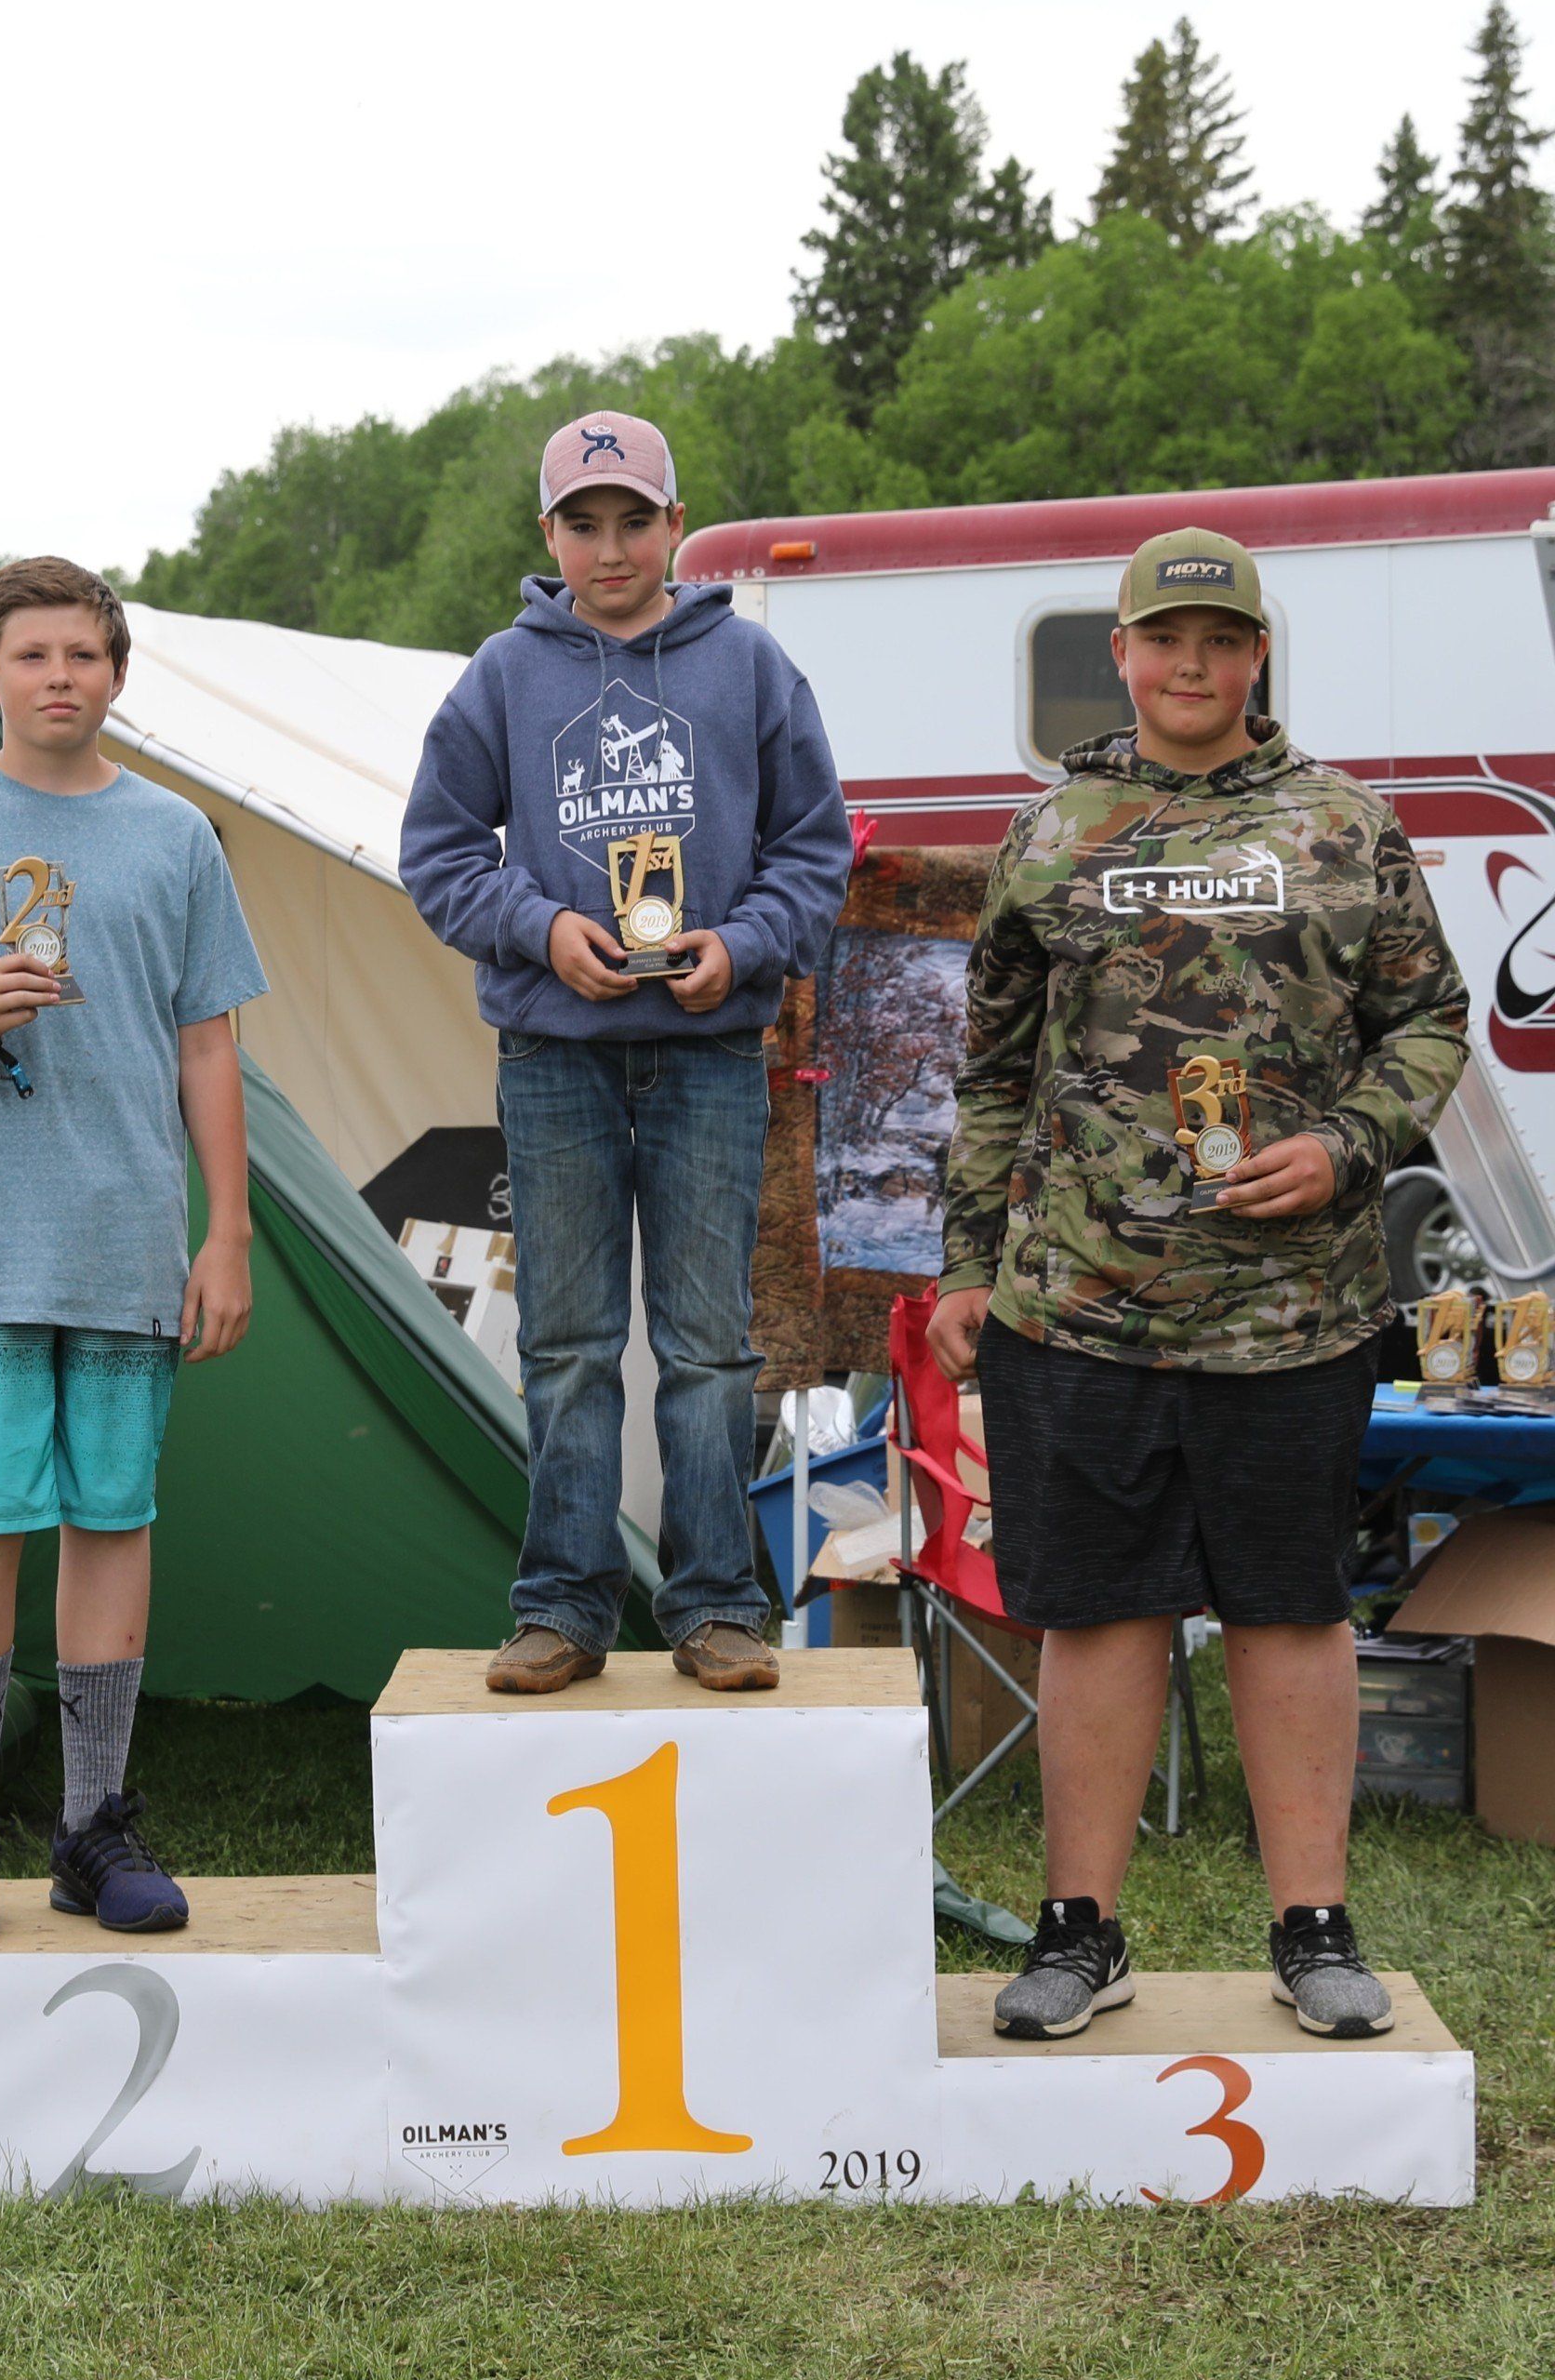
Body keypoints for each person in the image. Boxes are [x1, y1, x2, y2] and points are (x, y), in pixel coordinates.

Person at [928, 526, 1469, 2040]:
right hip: (1079, 1305)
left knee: (1291, 1608)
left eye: (1218, 643)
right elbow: (987, 1073)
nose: (1190, 664)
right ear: (1122, 653)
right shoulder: (1050, 836)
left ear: (1255, 660)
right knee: (1099, 1617)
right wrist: (971, 1261)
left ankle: (1313, 1930)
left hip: (1292, 1308)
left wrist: (1349, 1146)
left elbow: (1431, 1023)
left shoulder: (1348, 826)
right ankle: (1079, 1935)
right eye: (1164, 639)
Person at [0, 557, 266, 1938]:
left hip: (128, 1239)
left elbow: (210, 1045)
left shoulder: (179, 836)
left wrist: (230, 1231)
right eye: (32, 656)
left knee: (112, 1519)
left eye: (84, 653)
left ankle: (92, 1830)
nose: (60, 677)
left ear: (119, 672)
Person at [401, 411, 852, 1693]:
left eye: (634, 519)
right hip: (556, 1060)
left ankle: (715, 1607)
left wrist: (745, 945)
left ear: (674, 525)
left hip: (710, 1055)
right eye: (583, 523)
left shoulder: (749, 669)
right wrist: (540, 929)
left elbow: (817, 849)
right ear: (548, 534)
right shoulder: (503, 673)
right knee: (567, 1340)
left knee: (710, 1344)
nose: (611, 547)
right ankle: (562, 1606)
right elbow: (434, 854)